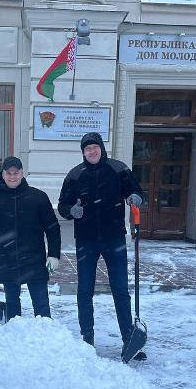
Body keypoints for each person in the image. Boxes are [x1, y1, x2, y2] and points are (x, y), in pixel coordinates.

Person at [57, 132, 146, 360]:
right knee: (84, 291)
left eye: (94, 147)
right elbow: (63, 205)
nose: (91, 152)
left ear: (101, 149)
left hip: (113, 237)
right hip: (86, 240)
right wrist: (70, 211)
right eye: (87, 149)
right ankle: (87, 340)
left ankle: (129, 340)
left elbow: (136, 190)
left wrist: (135, 197)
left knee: (120, 290)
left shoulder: (118, 169)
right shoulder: (75, 175)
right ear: (83, 152)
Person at [0, 156, 61, 319]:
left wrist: (54, 254)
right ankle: (14, 337)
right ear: (3, 174)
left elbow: (52, 228)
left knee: (41, 304)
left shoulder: (38, 197)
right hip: (8, 259)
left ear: (22, 173)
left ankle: (45, 338)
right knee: (12, 304)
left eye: (16, 172)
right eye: (9, 173)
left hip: (34, 258)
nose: (12, 176)